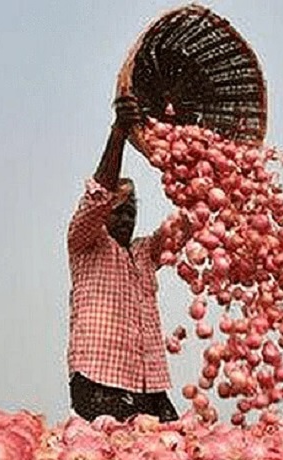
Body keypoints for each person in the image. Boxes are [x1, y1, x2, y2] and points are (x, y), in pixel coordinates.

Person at [65, 94, 181, 423]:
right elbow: (97, 195)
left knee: (166, 458)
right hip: (100, 378)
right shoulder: (84, 242)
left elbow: (187, 222)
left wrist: (206, 176)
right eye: (120, 211)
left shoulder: (145, 252)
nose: (128, 218)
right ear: (105, 214)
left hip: (150, 383)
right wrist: (119, 134)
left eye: (133, 211)